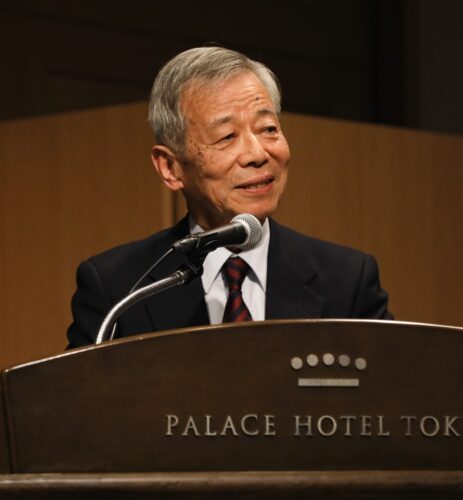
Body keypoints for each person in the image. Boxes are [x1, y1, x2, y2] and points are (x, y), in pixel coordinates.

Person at [67, 46, 393, 349]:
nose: (257, 154)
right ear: (170, 167)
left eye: (268, 129)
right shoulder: (118, 287)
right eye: (226, 136)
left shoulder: (347, 280)